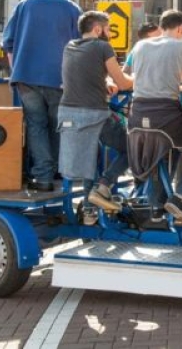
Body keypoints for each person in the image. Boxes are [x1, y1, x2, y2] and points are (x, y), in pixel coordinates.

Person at [2, 0, 82, 192]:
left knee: (36, 126)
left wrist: (17, 69)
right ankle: (59, 173)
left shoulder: (25, 4)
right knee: (59, 125)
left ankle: (43, 176)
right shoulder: (73, 9)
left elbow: (8, 43)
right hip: (60, 78)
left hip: (26, 76)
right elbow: (80, 48)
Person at [128, 10, 182, 223]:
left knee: (162, 151)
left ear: (162, 25)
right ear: (181, 28)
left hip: (137, 114)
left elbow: (130, 74)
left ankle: (156, 208)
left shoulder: (140, 45)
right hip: (166, 114)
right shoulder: (181, 46)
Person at [56, 11, 133, 218]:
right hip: (94, 114)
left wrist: (105, 82)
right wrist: (142, 79)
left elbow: (84, 73)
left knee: (90, 155)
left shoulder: (70, 47)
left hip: (68, 115)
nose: (109, 33)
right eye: (108, 29)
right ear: (97, 29)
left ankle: (90, 210)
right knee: (133, 148)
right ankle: (103, 187)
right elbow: (124, 82)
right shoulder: (102, 46)